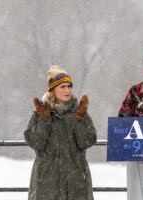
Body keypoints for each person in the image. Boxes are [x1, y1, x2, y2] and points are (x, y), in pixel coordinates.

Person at [24, 65, 97, 200]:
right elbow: (36, 143)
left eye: (69, 86)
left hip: (76, 180)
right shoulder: (40, 113)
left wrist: (79, 120)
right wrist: (44, 121)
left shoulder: (79, 111)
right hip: (47, 181)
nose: (67, 90)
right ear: (52, 89)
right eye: (62, 86)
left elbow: (87, 141)